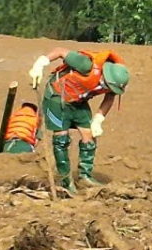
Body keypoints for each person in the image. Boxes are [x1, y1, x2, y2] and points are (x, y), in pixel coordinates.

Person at [29, 47, 130, 194]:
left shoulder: (114, 81)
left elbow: (110, 97)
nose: (109, 89)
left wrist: (98, 119)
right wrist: (40, 63)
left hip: (79, 101)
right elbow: (60, 51)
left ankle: (85, 176)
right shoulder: (85, 65)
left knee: (89, 136)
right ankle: (66, 181)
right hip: (58, 97)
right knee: (61, 138)